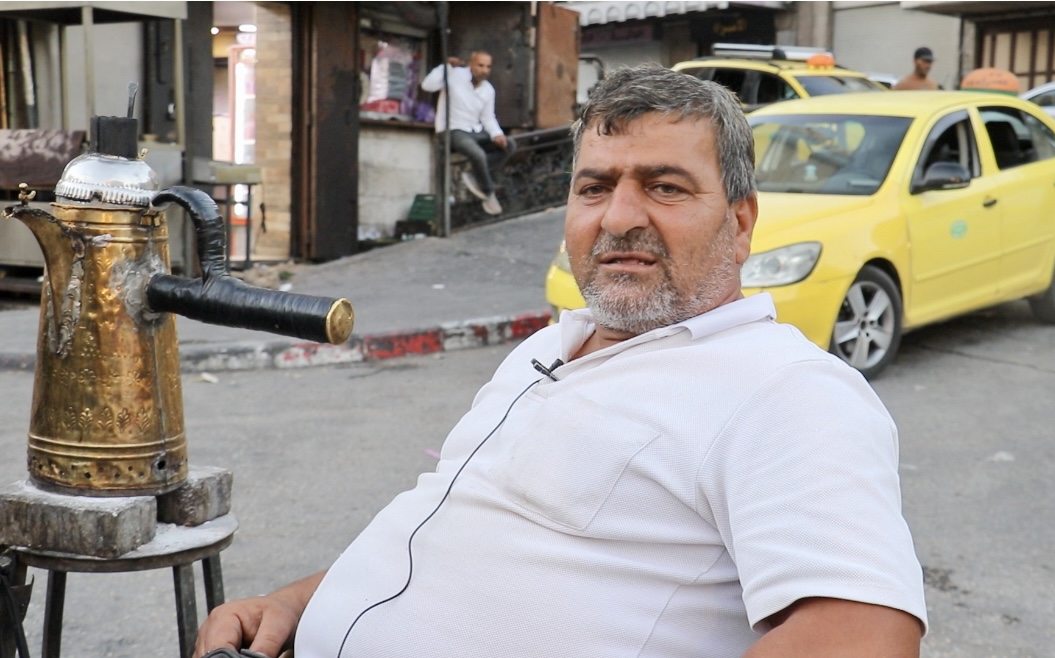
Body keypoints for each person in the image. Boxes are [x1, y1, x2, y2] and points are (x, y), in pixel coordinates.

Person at [195, 64, 928, 658]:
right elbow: (449, 524)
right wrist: (292, 604)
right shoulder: (548, 348)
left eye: (665, 187)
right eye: (595, 187)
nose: (619, 217)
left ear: (740, 224)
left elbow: (863, 635)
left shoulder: (785, 390)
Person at [421, 51, 516, 215]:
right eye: (480, 65)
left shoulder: (488, 90)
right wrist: (446, 66)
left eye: (488, 67)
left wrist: (497, 134)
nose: (484, 70)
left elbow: (488, 118)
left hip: (474, 130)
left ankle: (475, 174)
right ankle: (488, 193)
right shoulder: (455, 75)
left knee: (510, 145)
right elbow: (427, 85)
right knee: (477, 154)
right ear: (471, 65)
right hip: (452, 129)